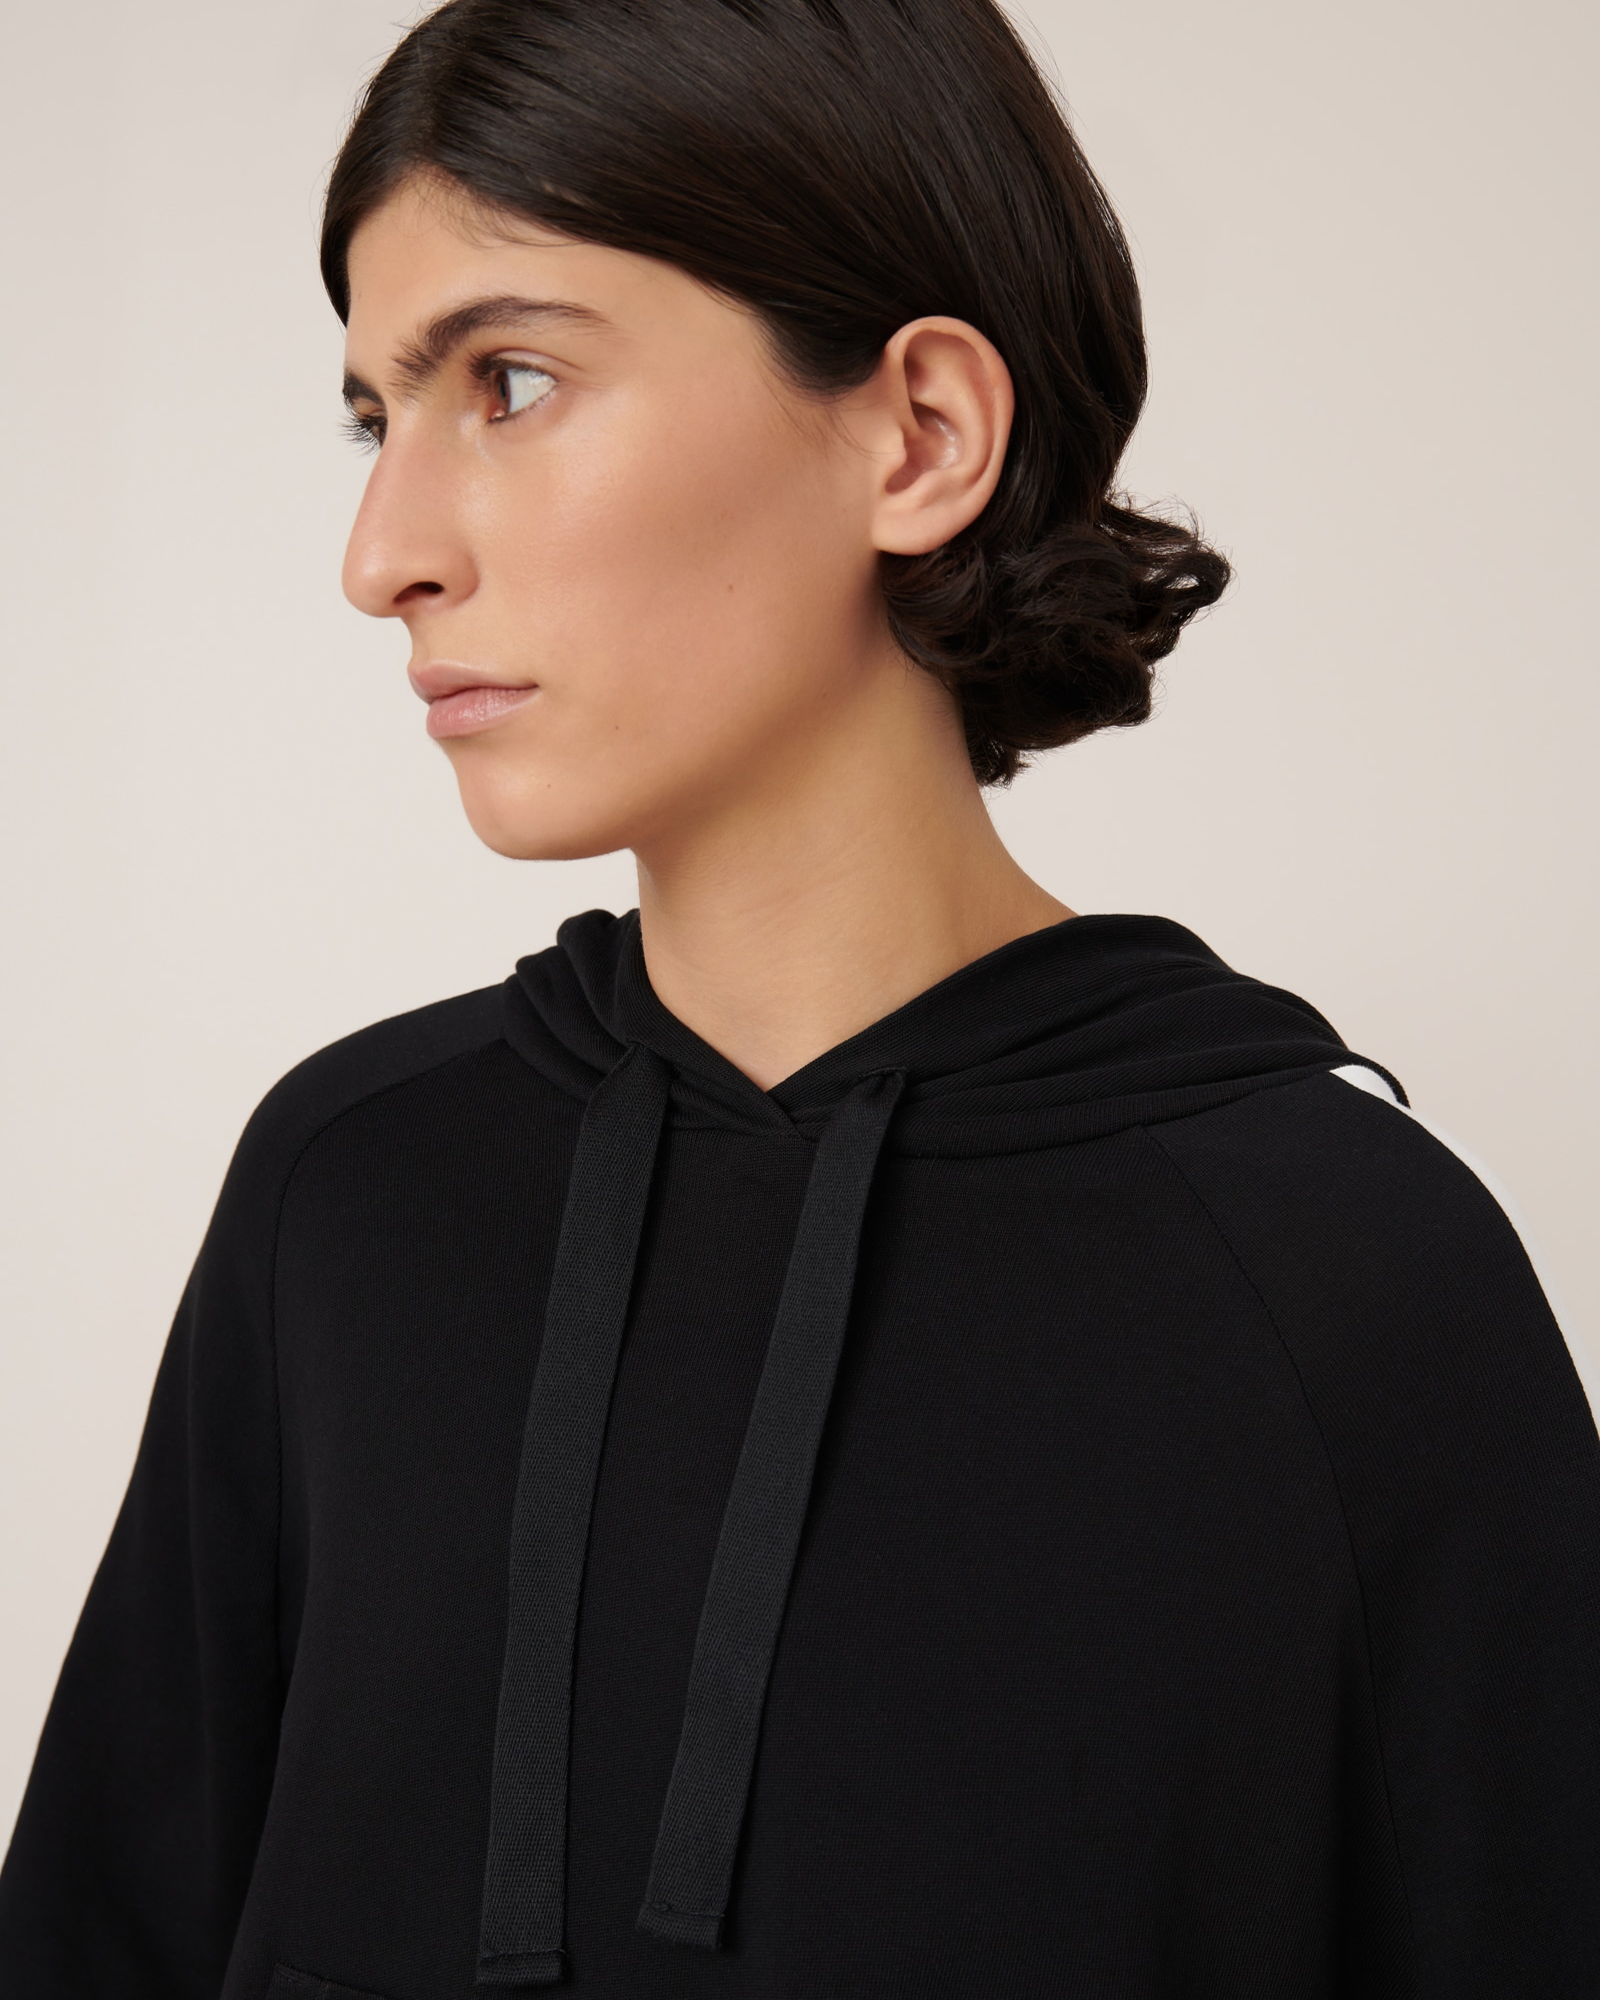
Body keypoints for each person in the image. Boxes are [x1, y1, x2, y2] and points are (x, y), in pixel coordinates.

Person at [2, 0, 1596, 1994]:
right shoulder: (346, 1193)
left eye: (509, 380)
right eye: (370, 418)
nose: (380, 552)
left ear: (917, 433)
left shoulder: (1352, 1284)